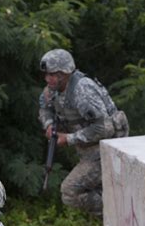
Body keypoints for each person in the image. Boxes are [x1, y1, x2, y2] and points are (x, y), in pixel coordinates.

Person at [38, 49, 129, 215]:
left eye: (52, 75)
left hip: (107, 148)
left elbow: (105, 127)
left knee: (69, 191)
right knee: (101, 188)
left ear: (64, 73)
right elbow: (45, 108)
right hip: (89, 147)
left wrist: (69, 139)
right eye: (47, 75)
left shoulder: (82, 90)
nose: (47, 79)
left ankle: (120, 212)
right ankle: (112, 223)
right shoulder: (53, 89)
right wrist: (49, 125)